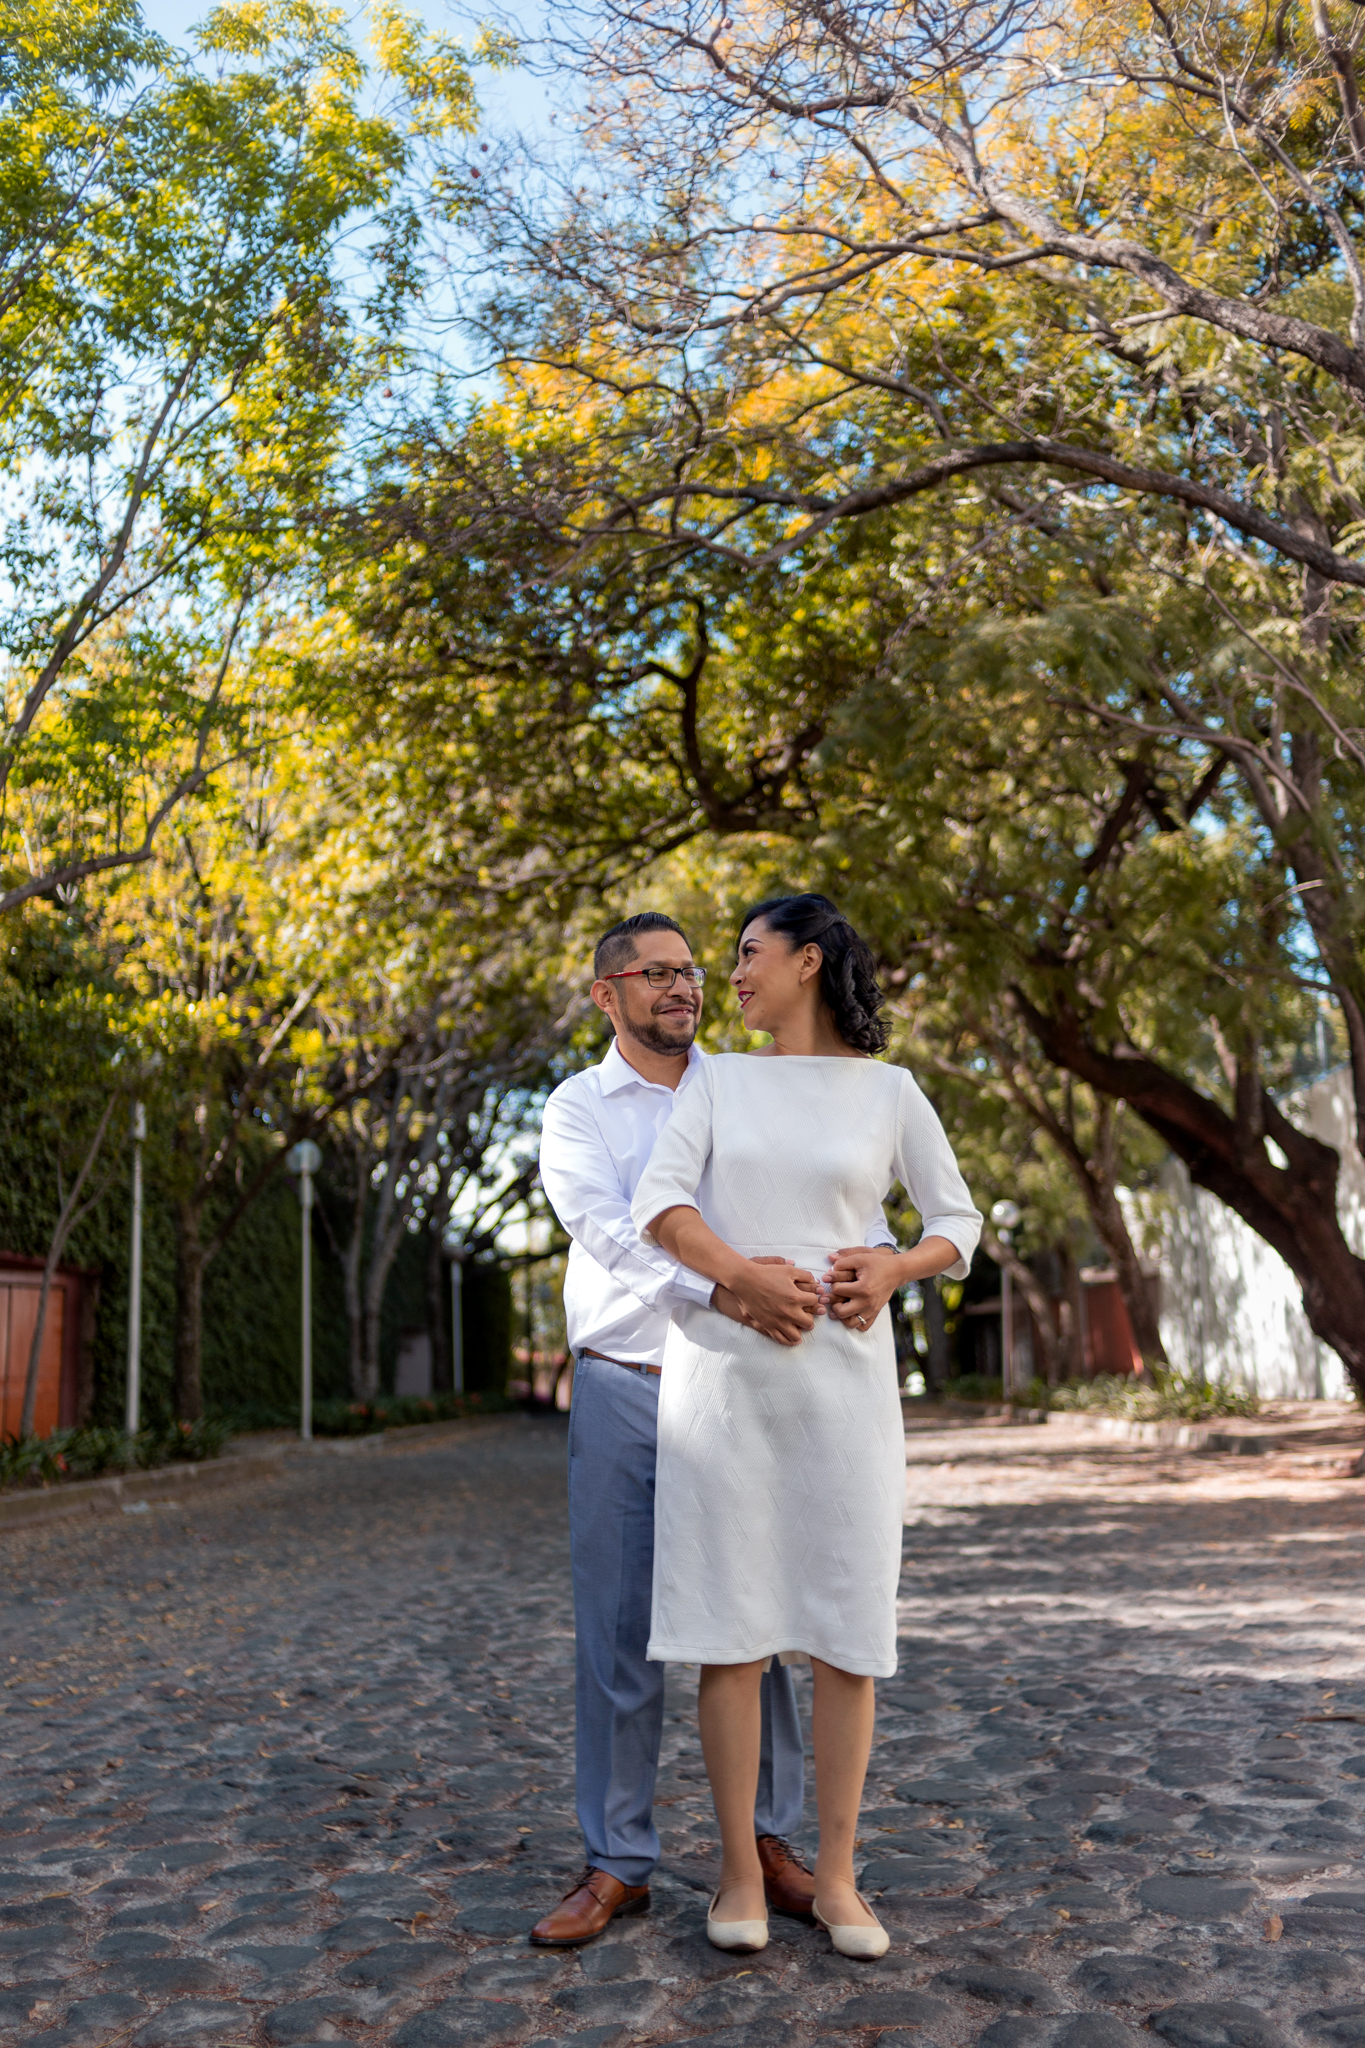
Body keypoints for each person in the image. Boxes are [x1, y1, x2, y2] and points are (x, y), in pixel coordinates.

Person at [532, 910, 903, 1949]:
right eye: (655, 973)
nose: (683, 987)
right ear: (607, 994)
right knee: (617, 1634)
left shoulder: (754, 1078)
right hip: (626, 1379)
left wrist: (872, 1266)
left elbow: (837, 1192)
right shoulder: (576, 1109)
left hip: (750, 1387)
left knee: (761, 1617)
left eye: (692, 969)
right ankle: (618, 1859)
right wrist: (725, 1287)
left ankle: (769, 1842)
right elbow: (607, 1228)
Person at [631, 893, 981, 1959]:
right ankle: (740, 1870)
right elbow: (660, 1201)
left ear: (809, 961)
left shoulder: (891, 1092)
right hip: (726, 1387)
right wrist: (737, 1273)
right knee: (730, 1634)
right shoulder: (714, 1080)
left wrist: (897, 1263)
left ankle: (836, 1876)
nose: (729, 975)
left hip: (845, 1390)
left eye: (747, 954)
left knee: (844, 1631)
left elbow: (956, 1219)